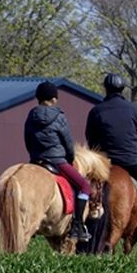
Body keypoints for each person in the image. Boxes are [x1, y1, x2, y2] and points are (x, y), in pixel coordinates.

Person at [86, 72, 137, 245]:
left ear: (106, 88)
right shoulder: (134, 110)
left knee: (83, 191)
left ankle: (78, 226)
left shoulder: (96, 111)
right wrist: (133, 154)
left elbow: (91, 140)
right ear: (122, 88)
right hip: (130, 161)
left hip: (105, 163)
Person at [24, 81, 91, 242]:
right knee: (84, 186)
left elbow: (27, 139)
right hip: (57, 161)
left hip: (36, 160)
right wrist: (69, 158)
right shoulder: (59, 116)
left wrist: (34, 155)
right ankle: (78, 225)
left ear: (38, 98)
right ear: (54, 99)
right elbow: (67, 142)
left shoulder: (31, 115)